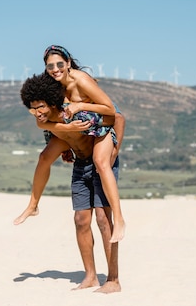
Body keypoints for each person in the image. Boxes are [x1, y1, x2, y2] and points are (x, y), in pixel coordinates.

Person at [14, 73, 124, 293]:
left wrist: (115, 150)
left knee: (103, 219)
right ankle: (90, 276)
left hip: (99, 162)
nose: (38, 113)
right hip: (80, 164)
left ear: (52, 101)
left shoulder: (75, 110)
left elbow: (117, 118)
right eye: (33, 108)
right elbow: (51, 131)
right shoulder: (46, 121)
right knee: (81, 220)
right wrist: (67, 135)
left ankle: (113, 280)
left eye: (41, 107)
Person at [42, 45, 126, 243]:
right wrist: (65, 144)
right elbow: (49, 120)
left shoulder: (81, 79)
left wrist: (80, 105)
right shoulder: (54, 88)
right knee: (81, 219)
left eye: (59, 64)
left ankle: (120, 219)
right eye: (50, 66)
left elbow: (112, 112)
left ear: (68, 63)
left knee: (101, 162)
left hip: (105, 127)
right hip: (86, 135)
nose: (55, 69)